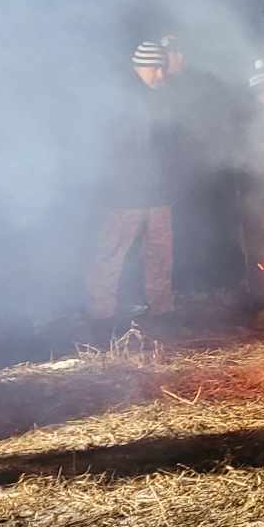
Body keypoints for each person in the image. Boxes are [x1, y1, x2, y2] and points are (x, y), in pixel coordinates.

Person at [86, 40, 181, 334]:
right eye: (158, 70)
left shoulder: (158, 96)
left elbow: (165, 144)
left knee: (159, 255)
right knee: (110, 255)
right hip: (124, 195)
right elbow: (120, 146)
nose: (162, 76)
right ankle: (101, 317)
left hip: (157, 194)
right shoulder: (121, 97)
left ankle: (162, 310)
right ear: (146, 66)